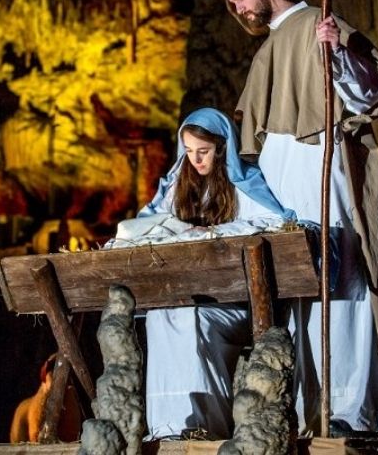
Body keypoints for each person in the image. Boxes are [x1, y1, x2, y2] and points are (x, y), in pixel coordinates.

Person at [219, 0, 378, 436]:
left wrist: (338, 52)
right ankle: (305, 410)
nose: (238, 9)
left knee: (338, 283)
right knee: (293, 290)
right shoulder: (270, 46)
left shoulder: (318, 22)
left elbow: (370, 94)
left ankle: (347, 408)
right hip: (280, 179)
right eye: (232, 4)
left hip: (320, 163)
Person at [123, 107, 295, 440]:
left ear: (222, 146)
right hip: (186, 295)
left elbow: (275, 221)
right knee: (161, 317)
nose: (196, 160)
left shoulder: (243, 183)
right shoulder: (179, 186)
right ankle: (170, 425)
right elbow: (148, 223)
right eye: (189, 151)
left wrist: (214, 233)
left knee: (193, 319)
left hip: (233, 303)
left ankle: (205, 425)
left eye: (204, 151)